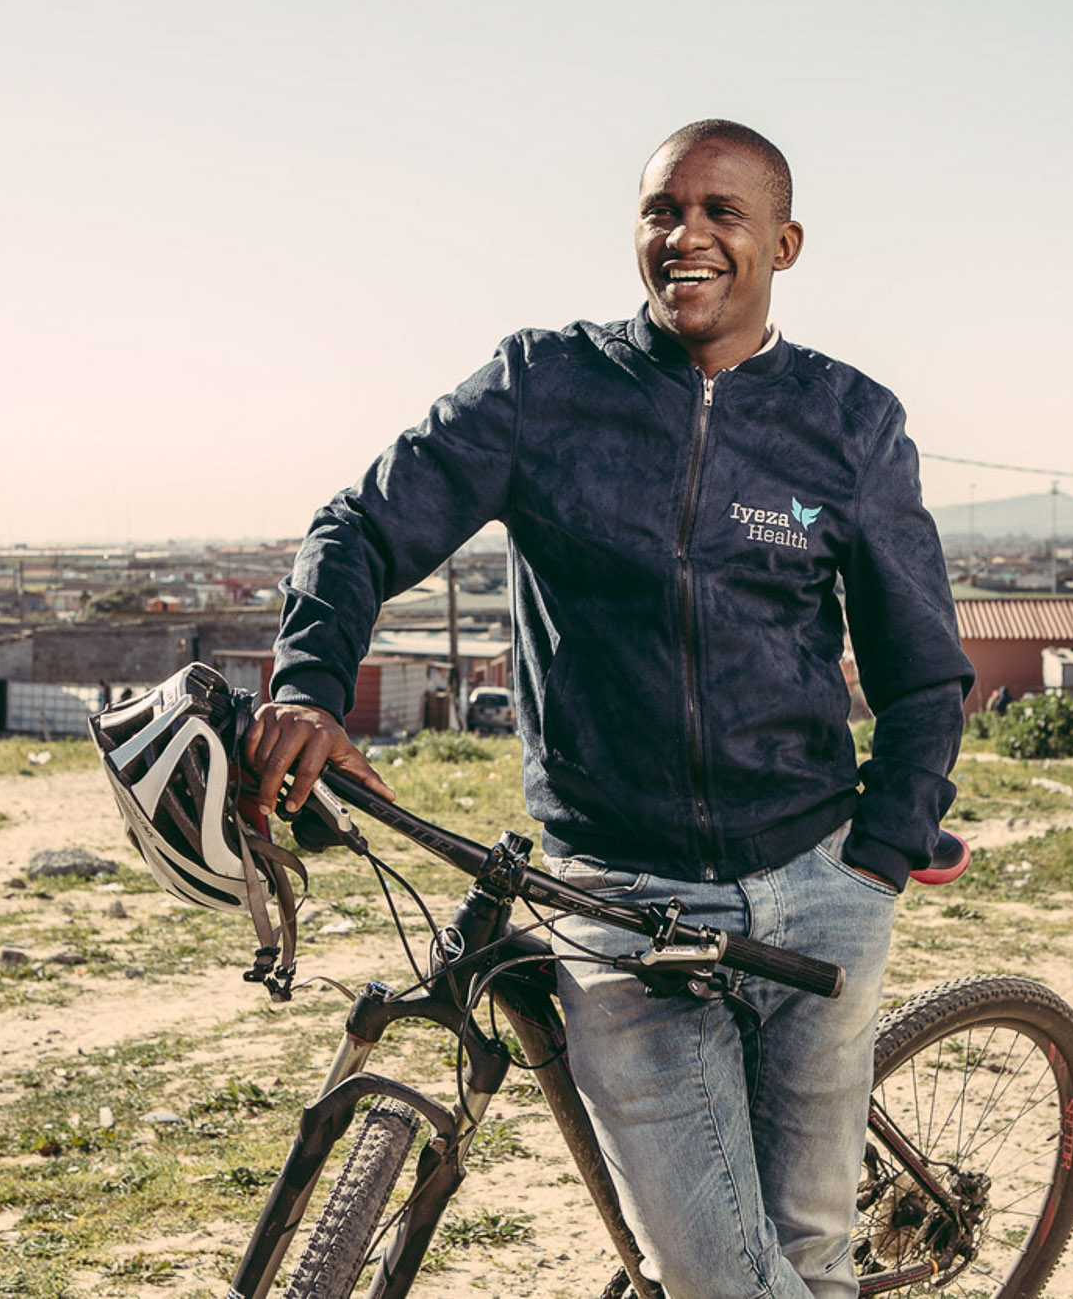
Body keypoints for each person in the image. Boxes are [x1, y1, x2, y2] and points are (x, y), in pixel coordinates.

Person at [245, 119, 972, 1299]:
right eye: (660, 210)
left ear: (781, 243)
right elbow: (362, 525)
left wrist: (875, 859)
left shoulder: (847, 423)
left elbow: (921, 667)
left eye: (720, 213)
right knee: (724, 1279)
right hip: (617, 900)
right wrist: (310, 684)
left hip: (814, 885)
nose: (684, 234)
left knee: (811, 1251)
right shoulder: (544, 387)